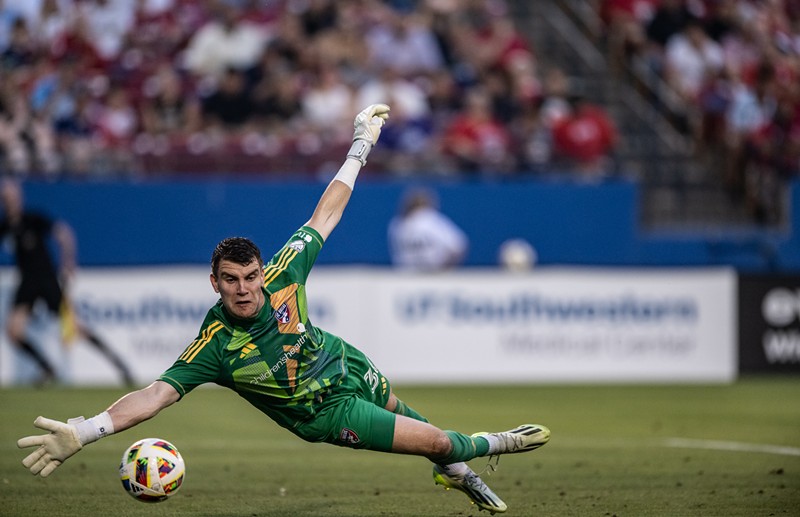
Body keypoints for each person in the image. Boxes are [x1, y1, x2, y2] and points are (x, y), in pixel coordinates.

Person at [16, 104, 550, 514]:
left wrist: (360, 144)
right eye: (232, 281)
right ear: (215, 283)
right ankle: (494, 444)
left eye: (250, 277)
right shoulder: (216, 345)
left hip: (344, 363)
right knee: (432, 440)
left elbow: (327, 213)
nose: (246, 289)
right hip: (325, 414)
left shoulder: (283, 273)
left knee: (413, 418)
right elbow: (154, 396)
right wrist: (84, 431)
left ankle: (452, 471)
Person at [0, 178, 134, 386]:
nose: (10, 201)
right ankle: (47, 368)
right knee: (14, 331)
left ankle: (118, 364)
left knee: (75, 328)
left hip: (46, 279)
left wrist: (68, 260)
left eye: (12, 196)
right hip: (26, 282)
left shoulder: (33, 219)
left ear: (19, 197)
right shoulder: (6, 226)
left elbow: (63, 233)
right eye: (6, 197)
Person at [388, 187, 468, 271]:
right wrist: (445, 268)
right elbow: (458, 246)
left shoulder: (395, 223)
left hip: (405, 274)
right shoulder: (430, 218)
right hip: (433, 272)